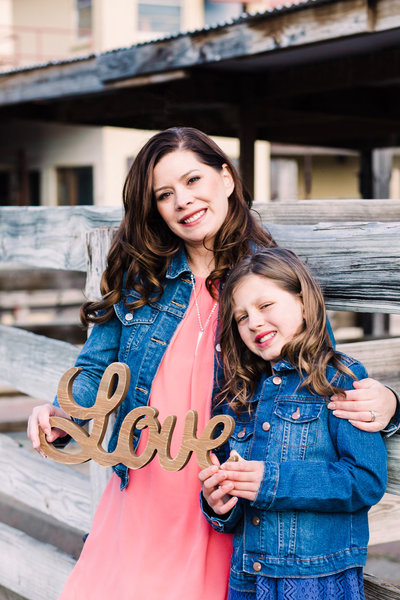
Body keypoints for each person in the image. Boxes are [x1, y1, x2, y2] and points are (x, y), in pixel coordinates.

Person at [27, 128, 397, 600]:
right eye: (165, 194)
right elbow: (98, 373)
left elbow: (317, 373)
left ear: (225, 178)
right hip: (144, 483)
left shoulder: (270, 281)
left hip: (221, 491)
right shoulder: (139, 280)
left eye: (193, 179)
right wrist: (66, 417)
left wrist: (389, 401)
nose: (183, 200)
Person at [199, 248, 388, 600]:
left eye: (265, 306)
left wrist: (273, 482)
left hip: (315, 580)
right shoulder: (239, 394)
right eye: (241, 317)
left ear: (303, 302)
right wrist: (218, 503)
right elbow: (236, 497)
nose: (253, 322)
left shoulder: (338, 379)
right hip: (247, 579)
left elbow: (366, 480)